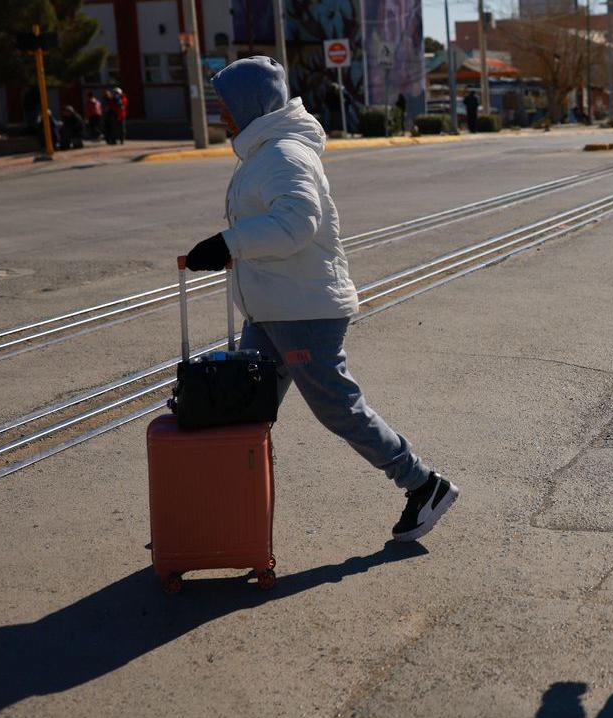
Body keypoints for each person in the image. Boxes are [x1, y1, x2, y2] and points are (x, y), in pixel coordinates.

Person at [182, 56, 459, 542]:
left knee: (338, 408)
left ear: (250, 104)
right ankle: (226, 510)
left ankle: (423, 484)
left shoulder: (284, 154)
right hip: (273, 310)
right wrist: (235, 249)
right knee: (241, 411)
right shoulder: (264, 153)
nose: (219, 115)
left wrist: (230, 243)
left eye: (225, 105)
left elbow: (296, 224)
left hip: (304, 312)